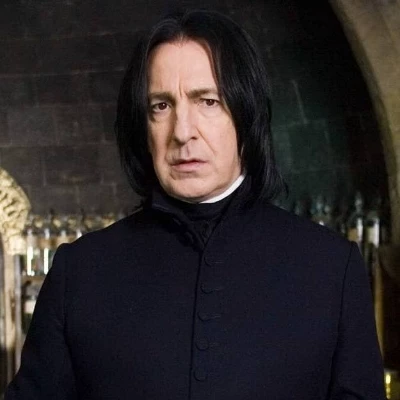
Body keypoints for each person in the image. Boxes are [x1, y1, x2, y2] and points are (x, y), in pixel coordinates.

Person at [5, 9, 385, 400]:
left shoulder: (331, 269)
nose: (182, 132)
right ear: (142, 126)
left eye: (208, 101)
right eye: (161, 106)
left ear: (246, 114)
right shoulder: (80, 271)